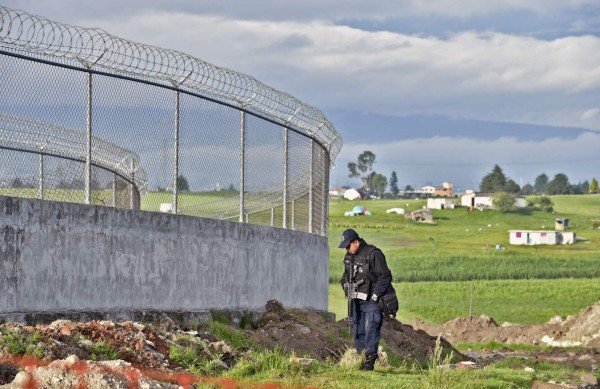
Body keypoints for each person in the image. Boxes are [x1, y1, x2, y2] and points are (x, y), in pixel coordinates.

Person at [339, 228, 392, 371]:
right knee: (358, 330)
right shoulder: (349, 256)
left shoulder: (373, 254)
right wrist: (345, 285)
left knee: (371, 330)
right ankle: (362, 358)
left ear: (356, 242)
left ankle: (369, 362)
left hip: (372, 301)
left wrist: (375, 296)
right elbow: (345, 275)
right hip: (356, 300)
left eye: (348, 245)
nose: (347, 249)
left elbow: (385, 276)